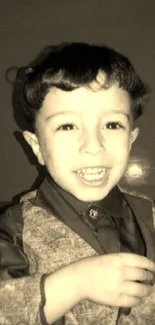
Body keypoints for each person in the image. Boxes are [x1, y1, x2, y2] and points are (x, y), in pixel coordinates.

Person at [1, 42, 155, 325]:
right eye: (68, 126)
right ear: (36, 147)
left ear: (131, 139)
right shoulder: (13, 227)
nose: (93, 146)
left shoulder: (149, 216)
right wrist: (75, 283)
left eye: (112, 125)